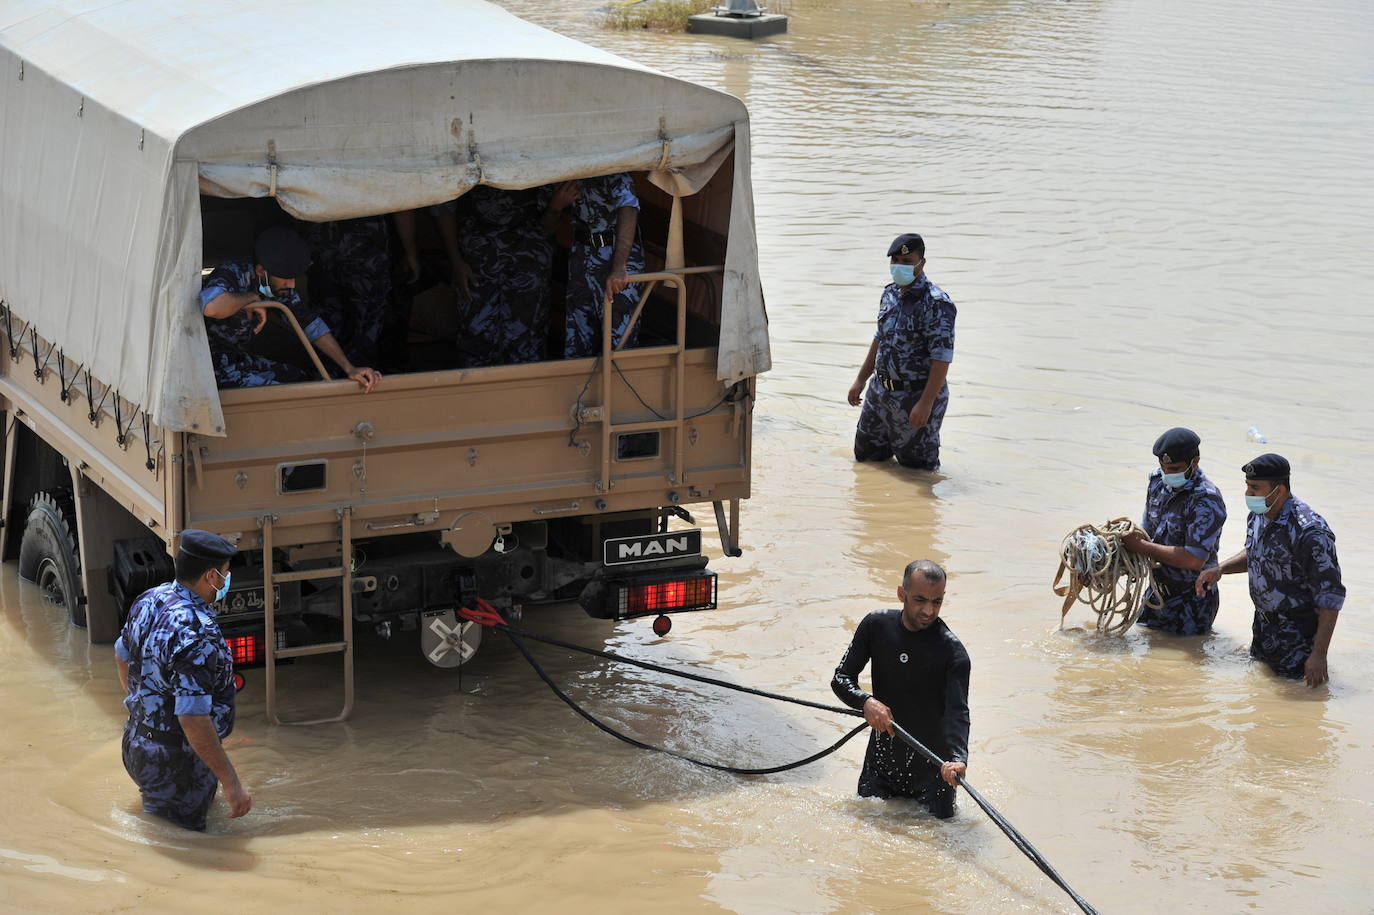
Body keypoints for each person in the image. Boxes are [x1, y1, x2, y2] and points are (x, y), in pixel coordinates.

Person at [115, 530, 251, 831]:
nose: (226, 580)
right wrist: (232, 784)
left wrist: (146, 711)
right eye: (225, 574)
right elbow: (191, 718)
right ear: (212, 576)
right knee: (184, 848)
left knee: (165, 827)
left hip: (136, 743)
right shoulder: (198, 633)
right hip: (175, 763)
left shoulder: (151, 599)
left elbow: (121, 655)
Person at [832, 560, 971, 819]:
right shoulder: (875, 626)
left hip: (934, 772)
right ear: (901, 594)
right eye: (919, 600)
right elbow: (841, 678)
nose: (928, 610)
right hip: (881, 766)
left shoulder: (953, 653)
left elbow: (957, 712)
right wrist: (866, 702)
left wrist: (958, 758)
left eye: (937, 602)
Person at [1196, 454, 1346, 685]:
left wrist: (1319, 655)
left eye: (1255, 488)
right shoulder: (1259, 515)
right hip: (1264, 627)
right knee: (1262, 699)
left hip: (1297, 635)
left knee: (1296, 700)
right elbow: (1256, 554)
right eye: (1247, 487)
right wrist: (1221, 569)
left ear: (1280, 491)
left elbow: (1331, 596)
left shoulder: (1310, 532)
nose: (1248, 494)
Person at [200, 227, 381, 392]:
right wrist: (252, 298)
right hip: (204, 367)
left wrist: (348, 367)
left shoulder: (276, 287)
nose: (292, 284)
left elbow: (311, 326)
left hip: (233, 359)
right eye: (286, 278)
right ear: (261, 271)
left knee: (299, 379)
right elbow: (211, 307)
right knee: (285, 392)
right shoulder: (232, 273)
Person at [848, 233, 956, 471]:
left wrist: (926, 402)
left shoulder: (936, 303)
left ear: (922, 263)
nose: (899, 266)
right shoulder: (890, 294)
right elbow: (879, 338)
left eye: (907, 262)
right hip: (879, 394)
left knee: (916, 472)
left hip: (914, 397)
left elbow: (942, 357)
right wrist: (860, 379)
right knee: (866, 462)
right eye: (895, 260)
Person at [1122, 427, 1228, 634]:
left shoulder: (1206, 500)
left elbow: (1193, 559)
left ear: (1195, 462)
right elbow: (1148, 532)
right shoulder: (1156, 482)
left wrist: (1141, 546)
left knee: (1182, 660)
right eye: (1164, 467)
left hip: (1190, 602)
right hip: (1156, 593)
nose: (1168, 473)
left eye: (1175, 468)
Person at [544, 173, 645, 359]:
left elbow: (629, 208)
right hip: (582, 255)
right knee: (578, 333)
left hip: (615, 257)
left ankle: (614, 387)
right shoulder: (571, 171)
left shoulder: (614, 169)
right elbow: (545, 227)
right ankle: (580, 387)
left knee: (619, 339)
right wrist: (556, 206)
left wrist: (619, 266)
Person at [454, 185, 555, 366]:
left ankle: (524, 393)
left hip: (529, 258)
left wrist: (556, 208)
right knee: (476, 336)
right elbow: (442, 207)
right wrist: (456, 260)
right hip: (478, 257)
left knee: (526, 341)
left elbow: (550, 221)